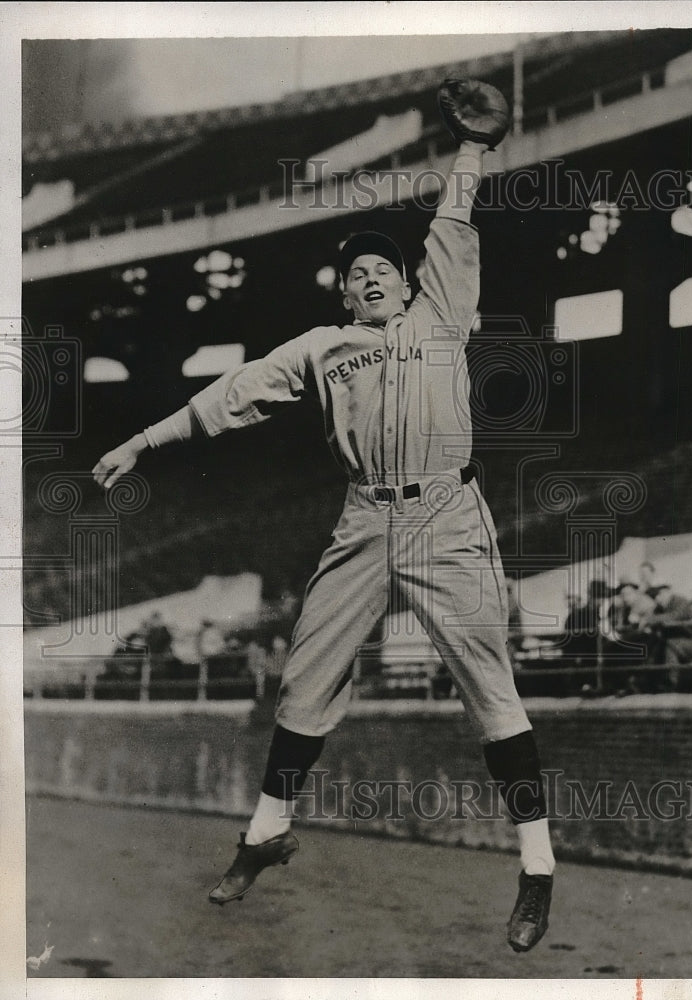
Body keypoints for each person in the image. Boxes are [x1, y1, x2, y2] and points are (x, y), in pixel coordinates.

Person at [92, 79, 555, 953]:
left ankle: (536, 867)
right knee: (304, 681)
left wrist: (473, 152)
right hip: (363, 518)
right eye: (357, 273)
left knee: (489, 689)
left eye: (383, 266)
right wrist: (142, 443)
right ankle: (265, 833)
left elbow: (453, 224)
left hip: (445, 510)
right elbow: (232, 396)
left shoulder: (443, 311)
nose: (372, 276)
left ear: (407, 281)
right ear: (344, 295)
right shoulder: (322, 348)